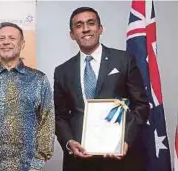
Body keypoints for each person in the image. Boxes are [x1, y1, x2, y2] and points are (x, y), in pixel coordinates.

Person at [54, 7, 149, 171]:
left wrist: (125, 140)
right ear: (72, 34)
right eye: (79, 25)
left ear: (100, 28)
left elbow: (141, 105)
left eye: (91, 23)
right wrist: (69, 142)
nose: (85, 29)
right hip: (79, 162)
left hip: (120, 159)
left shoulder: (123, 60)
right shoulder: (62, 71)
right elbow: (59, 116)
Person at [0, 22, 55, 171]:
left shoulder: (39, 80)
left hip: (29, 168)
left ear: (22, 44)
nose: (6, 42)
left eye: (12, 38)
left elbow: (47, 123)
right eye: (1, 38)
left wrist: (37, 165)